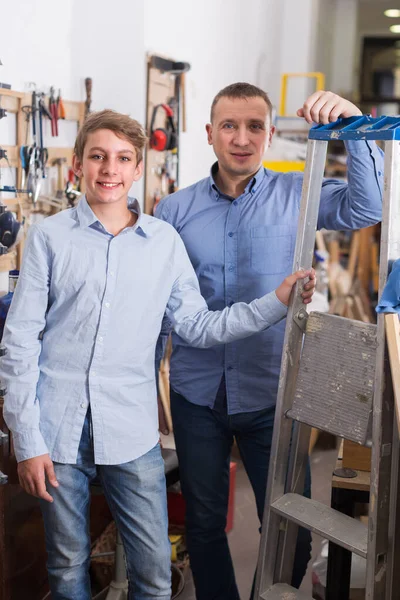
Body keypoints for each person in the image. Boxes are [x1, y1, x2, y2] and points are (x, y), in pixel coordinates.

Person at [0, 109, 316, 600]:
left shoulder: (163, 243)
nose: (110, 169)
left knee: (152, 573)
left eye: (123, 158)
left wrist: (274, 302)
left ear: (138, 167)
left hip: (130, 429)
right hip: (55, 430)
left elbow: (199, 326)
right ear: (78, 165)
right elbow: (19, 341)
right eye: (98, 156)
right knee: (66, 568)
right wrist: (27, 438)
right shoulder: (49, 239)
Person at [155, 84, 384, 600]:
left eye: (254, 126)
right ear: (209, 133)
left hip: (272, 395)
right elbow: (159, 308)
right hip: (196, 394)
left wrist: (351, 122)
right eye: (229, 126)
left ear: (270, 134)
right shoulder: (174, 211)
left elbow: (367, 208)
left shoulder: (298, 195)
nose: (241, 138)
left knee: (291, 530)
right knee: (206, 522)